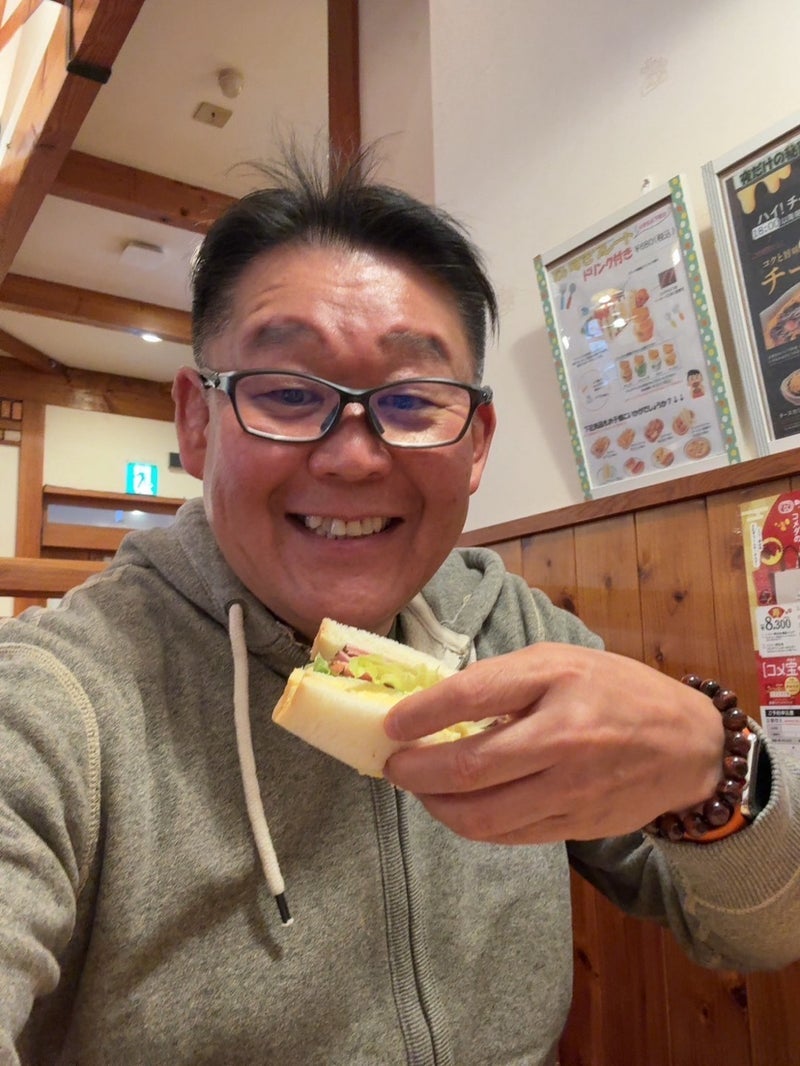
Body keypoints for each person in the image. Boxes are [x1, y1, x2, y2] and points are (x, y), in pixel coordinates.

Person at [1, 146, 799, 1066]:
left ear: (476, 443)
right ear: (196, 421)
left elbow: (763, 931)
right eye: (288, 394)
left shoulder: (514, 634)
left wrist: (718, 770)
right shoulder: (59, 700)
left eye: (414, 401)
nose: (352, 457)